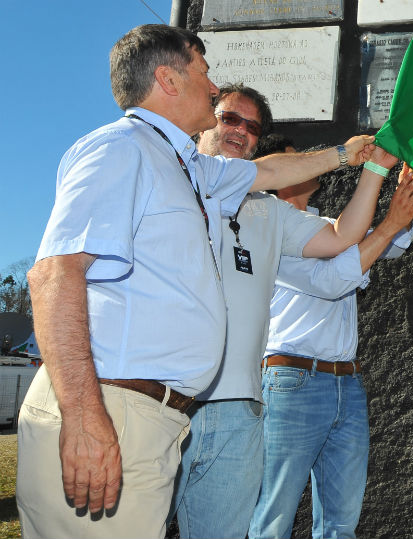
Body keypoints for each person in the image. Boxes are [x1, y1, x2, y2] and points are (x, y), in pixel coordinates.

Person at [18, 24, 374, 539]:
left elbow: (273, 172)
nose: (212, 88)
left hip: (158, 415)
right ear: (166, 79)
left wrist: (349, 156)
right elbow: (53, 273)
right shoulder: (122, 149)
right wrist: (83, 415)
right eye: (205, 75)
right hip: (110, 407)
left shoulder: (189, 171)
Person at [169, 83, 410, 539]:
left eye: (252, 126)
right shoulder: (180, 177)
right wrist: (347, 158)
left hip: (257, 399)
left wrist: (378, 171)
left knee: (315, 522)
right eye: (229, 119)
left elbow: (351, 236)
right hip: (199, 391)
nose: (241, 130)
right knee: (264, 518)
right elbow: (334, 278)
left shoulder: (273, 216)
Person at [249, 156, 413, 539]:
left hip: (347, 383)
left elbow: (389, 247)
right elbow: (332, 281)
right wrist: (391, 222)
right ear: (277, 178)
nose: (309, 167)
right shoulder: (264, 232)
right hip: (291, 381)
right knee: (273, 516)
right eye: (295, 161)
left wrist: (405, 199)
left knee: (340, 524)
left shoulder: (331, 228)